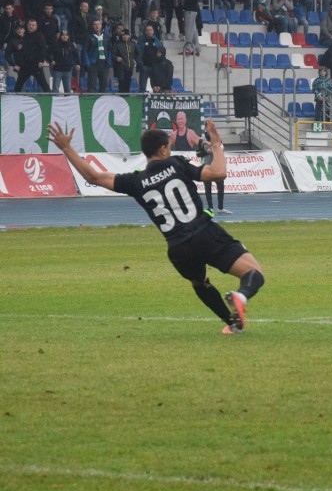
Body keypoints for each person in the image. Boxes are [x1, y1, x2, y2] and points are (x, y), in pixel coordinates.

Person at [48, 119, 262, 335]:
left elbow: (92, 177)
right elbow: (218, 172)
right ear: (162, 149)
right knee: (254, 272)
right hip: (204, 233)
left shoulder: (137, 181)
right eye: (168, 145)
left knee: (200, 283)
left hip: (178, 248)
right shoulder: (176, 163)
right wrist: (216, 144)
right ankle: (241, 296)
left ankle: (233, 323)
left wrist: (66, 147)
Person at [196, 138, 231, 216]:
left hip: (217, 167)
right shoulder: (201, 141)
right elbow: (198, 154)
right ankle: (210, 208)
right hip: (206, 167)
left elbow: (221, 149)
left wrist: (214, 150)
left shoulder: (218, 139)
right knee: (208, 188)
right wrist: (206, 152)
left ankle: (220, 208)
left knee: (221, 188)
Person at [14, 19, 51, 92]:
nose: (31, 26)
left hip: (36, 65)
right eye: (30, 25)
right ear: (27, 26)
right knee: (18, 84)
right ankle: (15, 100)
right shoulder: (25, 37)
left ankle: (50, 99)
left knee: (44, 84)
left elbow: (43, 49)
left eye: (33, 25)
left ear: (36, 26)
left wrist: (41, 60)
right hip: (26, 65)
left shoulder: (40, 36)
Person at [112, 28, 135, 92]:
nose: (125, 36)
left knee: (128, 82)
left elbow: (138, 53)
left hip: (130, 66)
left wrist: (136, 61)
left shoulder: (133, 44)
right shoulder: (117, 44)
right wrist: (116, 58)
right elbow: (112, 55)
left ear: (129, 36)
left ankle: (127, 97)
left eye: (126, 35)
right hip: (120, 67)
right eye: (123, 35)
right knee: (121, 81)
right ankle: (121, 97)